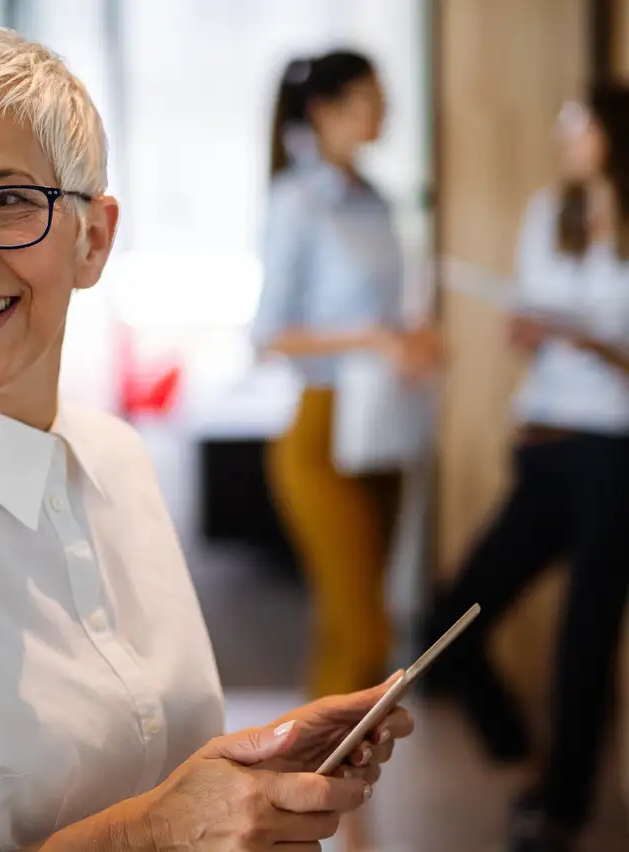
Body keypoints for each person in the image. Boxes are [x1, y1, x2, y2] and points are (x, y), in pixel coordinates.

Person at [0, 27, 415, 852]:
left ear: (93, 238)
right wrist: (152, 832)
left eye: (4, 201)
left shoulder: (117, 460)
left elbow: (143, 761)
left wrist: (243, 772)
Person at [426, 84, 629, 852]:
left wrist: (594, 342)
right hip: (543, 443)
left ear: (613, 133)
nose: (565, 141)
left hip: (614, 453)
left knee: (585, 642)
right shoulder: (551, 214)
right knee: (455, 618)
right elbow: (533, 318)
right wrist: (533, 330)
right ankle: (526, 762)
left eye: (578, 127)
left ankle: (559, 812)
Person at [251, 50, 439, 852]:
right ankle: (317, 807)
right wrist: (371, 338)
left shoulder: (377, 200)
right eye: (368, 99)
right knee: (364, 634)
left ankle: (327, 817)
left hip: (382, 424)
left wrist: (410, 339)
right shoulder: (299, 200)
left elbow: (387, 312)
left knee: (345, 628)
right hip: (321, 429)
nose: (381, 113)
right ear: (324, 111)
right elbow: (270, 335)